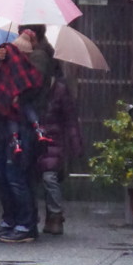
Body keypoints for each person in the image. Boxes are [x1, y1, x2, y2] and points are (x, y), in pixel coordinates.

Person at [0, 33, 44, 243]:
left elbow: (29, 92)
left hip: (22, 128)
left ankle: (25, 225)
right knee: (0, 174)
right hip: (3, 126)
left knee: (15, 175)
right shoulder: (6, 67)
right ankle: (10, 221)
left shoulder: (36, 70)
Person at [36, 66, 83, 235]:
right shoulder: (33, 89)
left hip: (54, 141)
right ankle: (43, 216)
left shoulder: (60, 91)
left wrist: (76, 145)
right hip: (35, 139)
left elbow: (71, 120)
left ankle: (55, 215)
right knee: (35, 177)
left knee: (49, 176)